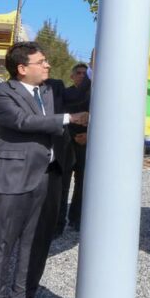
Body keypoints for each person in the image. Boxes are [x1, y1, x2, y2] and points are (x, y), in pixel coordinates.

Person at [0, 42, 87, 298]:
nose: (48, 65)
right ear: (22, 68)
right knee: (0, 243)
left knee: (37, 242)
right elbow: (21, 121)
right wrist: (68, 119)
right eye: (42, 61)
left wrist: (95, 67)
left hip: (49, 177)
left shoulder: (52, 89)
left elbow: (83, 94)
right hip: (11, 176)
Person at [62, 62, 91, 233]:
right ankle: (58, 221)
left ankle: (76, 219)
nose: (81, 75)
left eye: (84, 73)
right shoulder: (65, 94)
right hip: (67, 142)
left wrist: (89, 135)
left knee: (82, 184)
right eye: (78, 73)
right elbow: (60, 116)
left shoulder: (95, 95)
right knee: (62, 183)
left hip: (86, 143)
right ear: (72, 76)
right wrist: (72, 135)